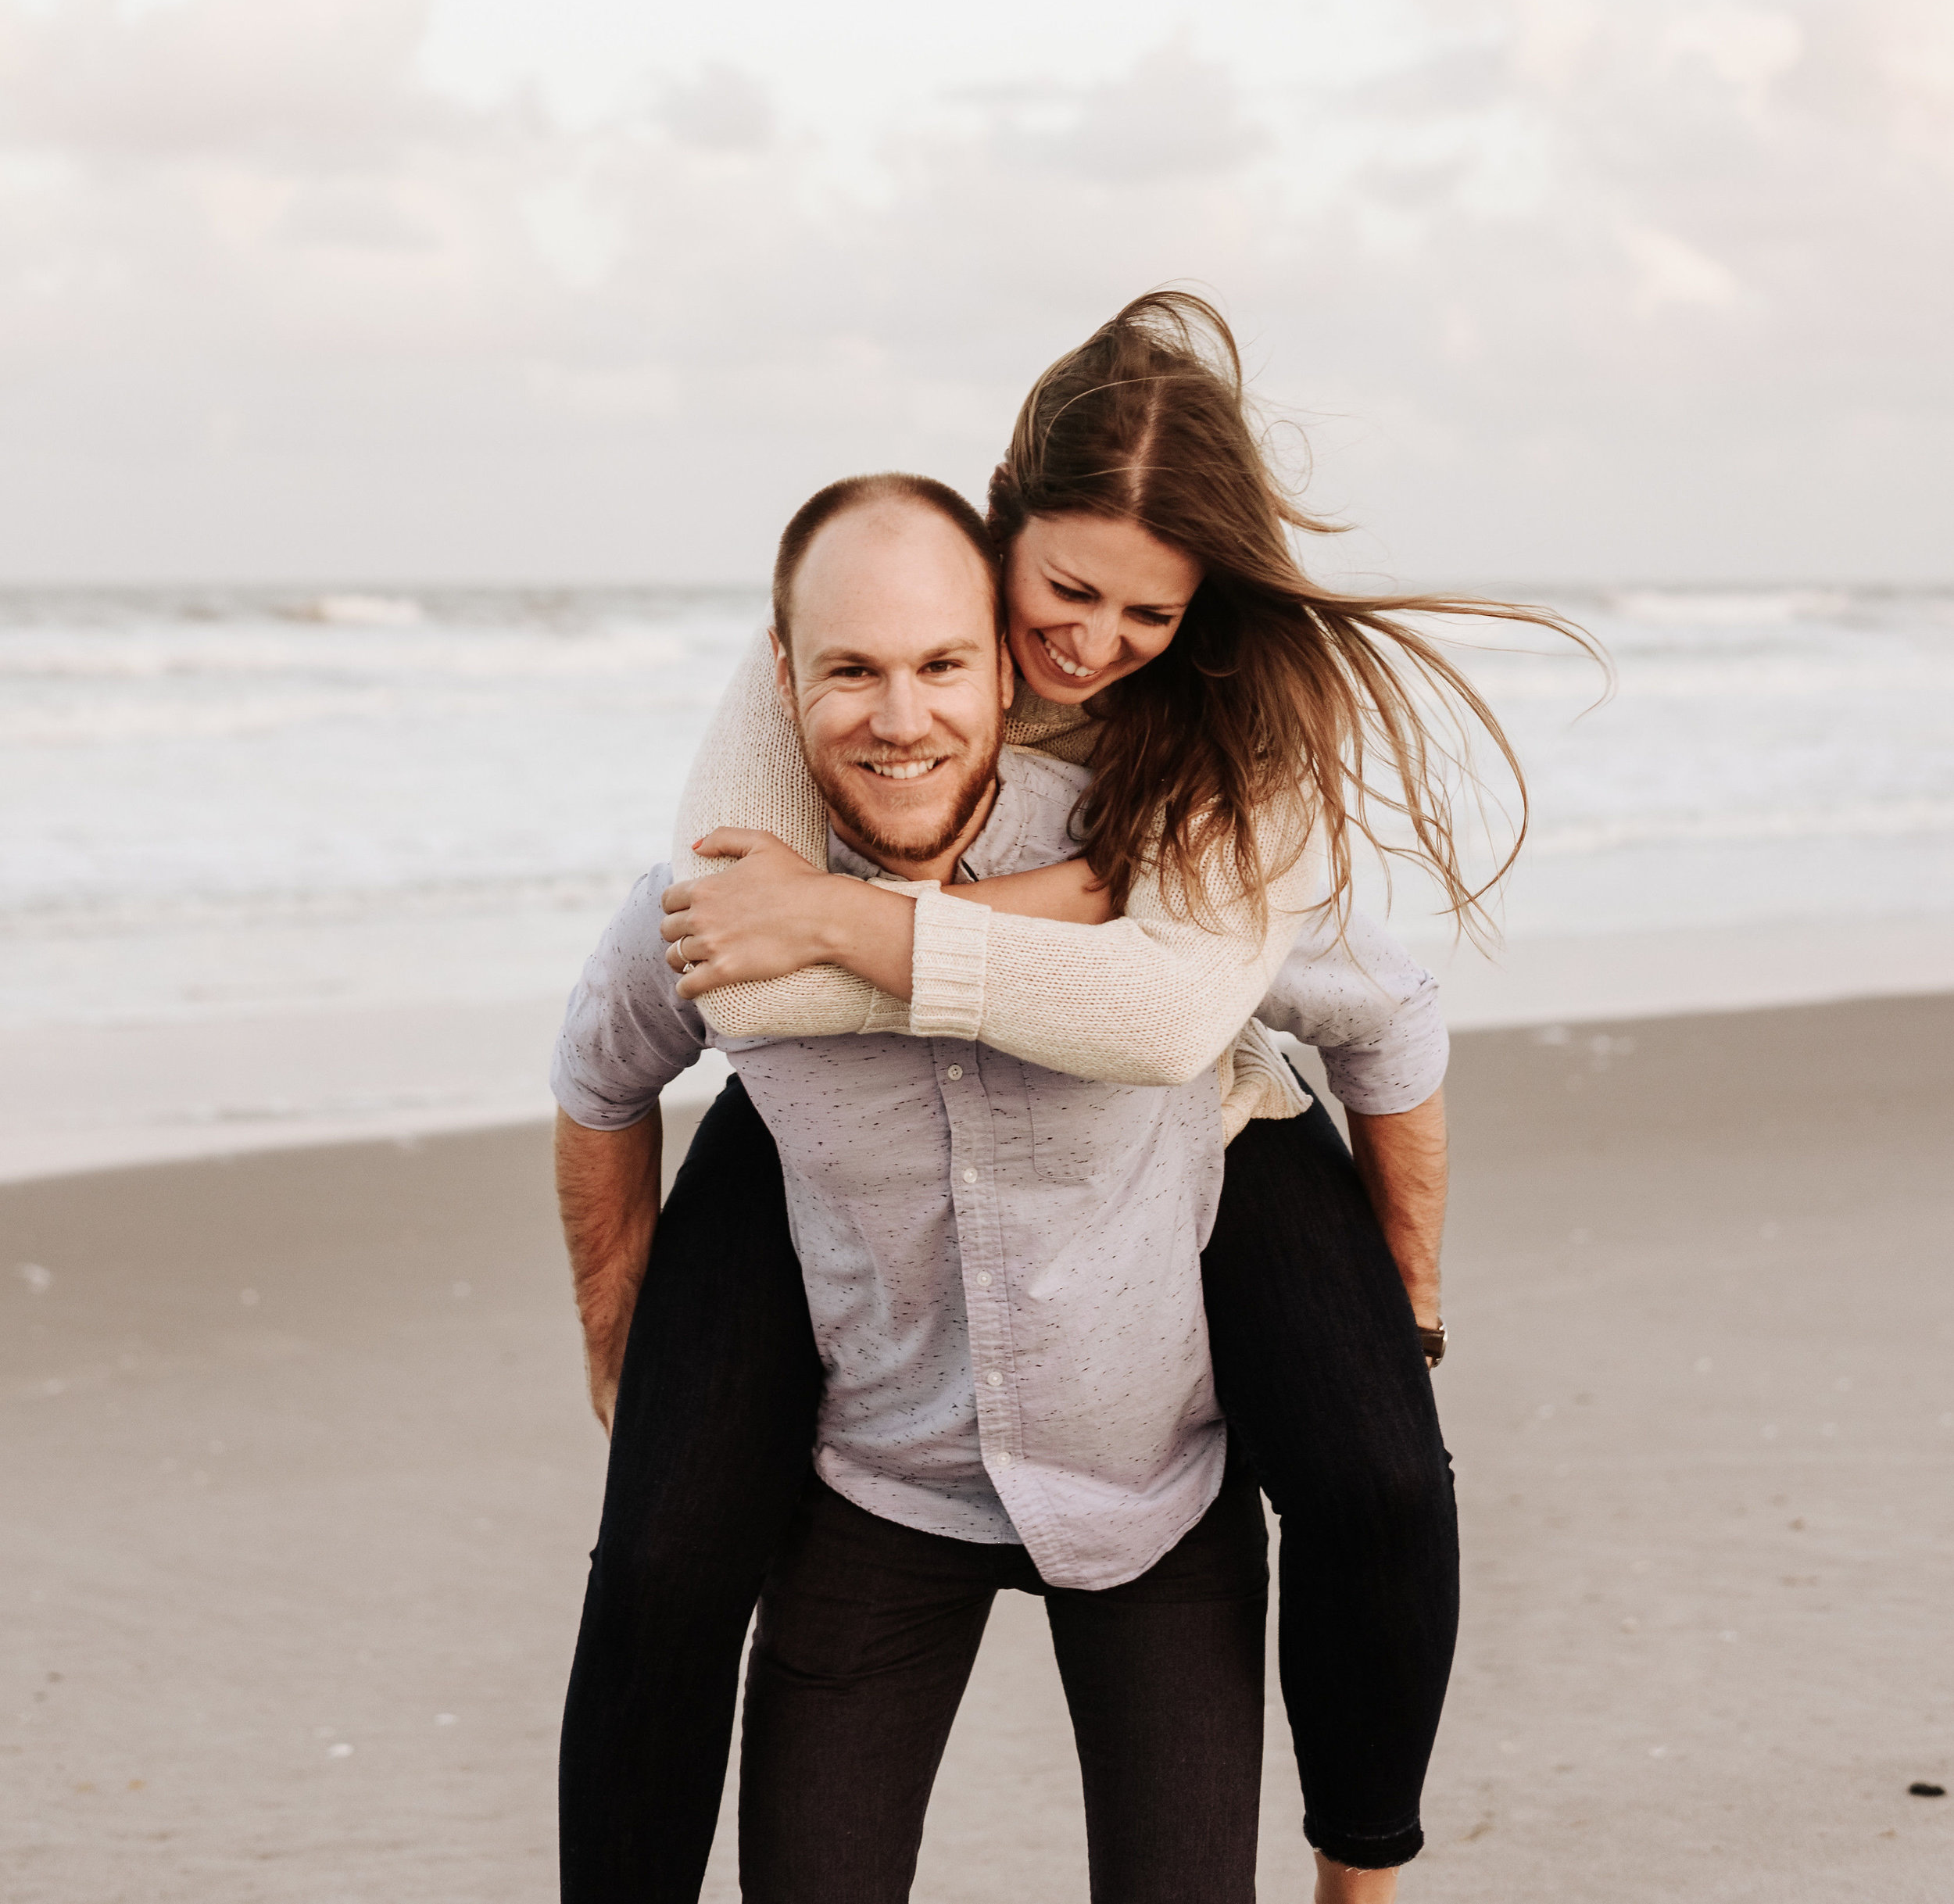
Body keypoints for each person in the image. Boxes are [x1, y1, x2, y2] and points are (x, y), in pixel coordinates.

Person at [555, 295, 1581, 1901]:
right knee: (665, 1543)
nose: (1093, 638)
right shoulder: (845, 671)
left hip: (1198, 1085)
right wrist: (618, 1324)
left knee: (1382, 1476)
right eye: (1067, 587)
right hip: (837, 1132)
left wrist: (1409, 1295)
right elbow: (689, 980)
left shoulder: (1215, 744)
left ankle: (1359, 1869)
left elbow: (1227, 1009)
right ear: (995, 528)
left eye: (1145, 610)